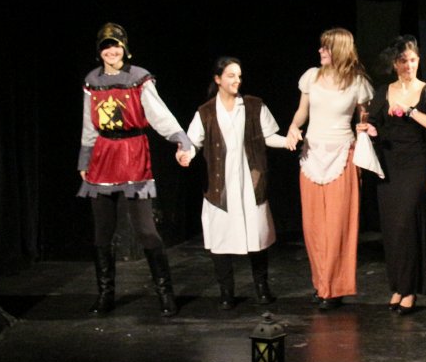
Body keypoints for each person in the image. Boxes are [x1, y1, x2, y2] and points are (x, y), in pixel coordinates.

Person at [78, 22, 192, 316]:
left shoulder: (139, 78)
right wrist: (84, 159)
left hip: (132, 154)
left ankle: (165, 293)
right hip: (102, 156)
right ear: (99, 51)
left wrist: (180, 139)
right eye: (105, 46)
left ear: (124, 48)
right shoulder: (92, 81)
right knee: (102, 233)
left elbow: (158, 114)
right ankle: (105, 294)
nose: (111, 51)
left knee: (146, 231)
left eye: (115, 45)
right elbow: (89, 124)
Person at [178, 57, 288, 310]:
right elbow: (192, 142)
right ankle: (226, 292)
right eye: (230, 75)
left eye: (239, 75)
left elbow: (269, 136)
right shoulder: (206, 111)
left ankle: (262, 287)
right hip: (220, 184)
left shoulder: (253, 105)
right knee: (221, 238)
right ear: (218, 79)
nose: (237, 80)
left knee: (256, 236)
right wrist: (186, 154)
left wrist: (288, 141)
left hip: (250, 180)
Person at [285, 28, 374, 310]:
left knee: (338, 224)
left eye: (326, 47)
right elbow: (303, 112)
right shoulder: (311, 76)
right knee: (313, 225)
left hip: (342, 156)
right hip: (312, 154)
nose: (320, 51)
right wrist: (293, 127)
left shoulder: (357, 83)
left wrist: (365, 128)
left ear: (339, 50)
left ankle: (334, 288)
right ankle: (322, 283)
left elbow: (364, 118)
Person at [358, 35, 426, 315]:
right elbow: (374, 124)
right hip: (388, 165)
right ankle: (397, 286)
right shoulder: (384, 91)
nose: (409, 65)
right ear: (395, 64)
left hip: (413, 165)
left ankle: (410, 289)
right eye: (403, 61)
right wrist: (369, 130)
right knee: (392, 229)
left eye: (413, 60)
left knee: (407, 225)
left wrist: (410, 111)